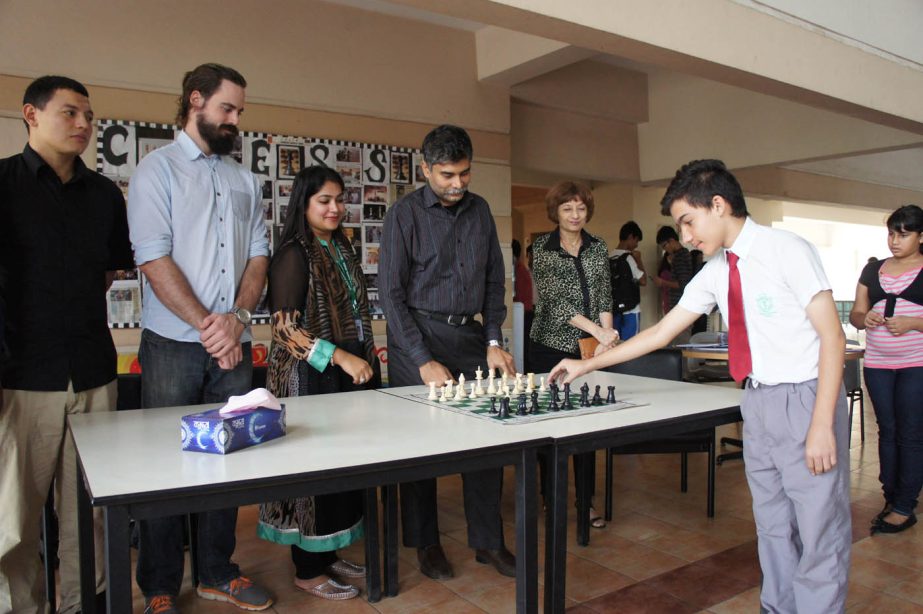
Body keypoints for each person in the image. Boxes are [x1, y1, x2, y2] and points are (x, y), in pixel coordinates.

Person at [550, 159, 851, 613]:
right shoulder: (717, 272)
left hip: (807, 397)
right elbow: (658, 333)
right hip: (758, 400)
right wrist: (586, 365)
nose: (686, 236)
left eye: (688, 221)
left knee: (818, 529)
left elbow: (833, 336)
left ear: (718, 204)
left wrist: (823, 424)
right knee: (771, 527)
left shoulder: (787, 249)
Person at [127, 63, 272, 613]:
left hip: (232, 339)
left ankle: (217, 570)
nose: (235, 120)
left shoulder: (244, 180)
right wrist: (212, 328)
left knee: (224, 460)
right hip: (171, 345)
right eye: (227, 109)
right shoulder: (155, 171)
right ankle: (160, 586)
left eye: (239, 112)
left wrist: (236, 316)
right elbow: (153, 257)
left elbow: (257, 254)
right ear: (195, 101)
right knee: (167, 463)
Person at [0, 75, 133, 614]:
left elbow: (105, 272)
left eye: (89, 116)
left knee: (91, 513)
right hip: (20, 377)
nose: (83, 125)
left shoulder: (103, 194)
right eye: (70, 113)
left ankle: (87, 605)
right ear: (31, 114)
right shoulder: (2, 185)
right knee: (15, 517)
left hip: (93, 373)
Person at [379, 124, 517, 580]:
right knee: (420, 450)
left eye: (464, 173)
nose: (457, 184)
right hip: (415, 340)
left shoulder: (480, 212)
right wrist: (421, 358)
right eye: (446, 175)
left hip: (470, 339)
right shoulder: (403, 215)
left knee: (487, 440)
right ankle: (426, 544)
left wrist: (494, 339)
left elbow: (495, 282)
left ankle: (488, 541)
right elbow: (391, 295)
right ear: (425, 169)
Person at [257, 166, 378, 599]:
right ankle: (307, 570)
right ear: (304, 204)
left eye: (339, 199)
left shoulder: (341, 246)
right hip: (307, 378)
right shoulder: (293, 253)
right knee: (311, 473)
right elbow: (285, 332)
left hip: (343, 377)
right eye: (324, 200)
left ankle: (327, 555)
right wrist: (340, 356)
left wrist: (363, 356)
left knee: (340, 471)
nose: (335, 208)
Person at [530, 180, 617, 529]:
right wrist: (597, 331)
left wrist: (607, 337)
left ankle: (586, 502)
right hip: (549, 347)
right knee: (550, 426)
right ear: (556, 212)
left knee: (587, 427)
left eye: (580, 208)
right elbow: (554, 299)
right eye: (567, 208)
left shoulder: (598, 247)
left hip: (589, 351)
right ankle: (551, 499)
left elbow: (604, 295)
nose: (575, 214)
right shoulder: (542, 248)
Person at [849, 204, 923, 534]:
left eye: (903, 235)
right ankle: (891, 497)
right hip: (878, 364)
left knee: (910, 433)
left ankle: (906, 505)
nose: (894, 241)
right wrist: (866, 319)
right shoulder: (872, 271)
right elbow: (855, 315)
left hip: (916, 364)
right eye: (891, 234)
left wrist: (914, 322)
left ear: (921, 237)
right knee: (887, 430)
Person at [652, 226, 695, 343]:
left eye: (664, 246)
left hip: (680, 308)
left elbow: (683, 284)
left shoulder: (680, 256)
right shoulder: (681, 255)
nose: (665, 250)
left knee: (681, 345)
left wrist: (662, 282)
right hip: (681, 308)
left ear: (672, 240)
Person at [609, 221, 647, 341]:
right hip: (631, 308)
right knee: (631, 344)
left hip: (614, 308)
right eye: (636, 241)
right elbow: (643, 281)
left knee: (615, 344)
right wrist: (639, 260)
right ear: (631, 237)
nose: (636, 245)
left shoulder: (609, 257)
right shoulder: (629, 257)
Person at [512, 239, 534, 371]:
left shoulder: (518, 269)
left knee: (523, 349)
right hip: (526, 312)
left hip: (524, 314)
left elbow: (516, 295)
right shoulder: (521, 268)